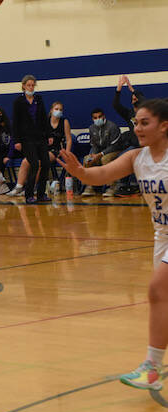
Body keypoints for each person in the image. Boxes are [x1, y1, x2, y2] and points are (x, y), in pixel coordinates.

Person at [58, 98, 168, 391]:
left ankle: (152, 368)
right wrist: (79, 172)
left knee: (157, 291)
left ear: (164, 126)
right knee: (163, 300)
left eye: (145, 122)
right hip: (162, 237)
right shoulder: (136, 158)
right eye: (136, 122)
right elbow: (101, 175)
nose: (139, 128)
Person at [12, 75, 51, 204]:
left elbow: (44, 118)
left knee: (45, 164)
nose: (31, 87)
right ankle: (28, 194)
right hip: (26, 139)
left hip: (40, 137)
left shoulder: (38, 99)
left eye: (33, 85)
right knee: (34, 164)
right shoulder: (18, 102)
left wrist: (49, 135)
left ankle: (41, 194)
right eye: (28, 85)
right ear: (23, 86)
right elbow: (15, 122)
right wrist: (16, 140)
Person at [112, 75, 145, 195]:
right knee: (122, 157)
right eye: (133, 98)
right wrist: (119, 89)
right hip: (134, 146)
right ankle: (123, 186)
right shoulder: (129, 113)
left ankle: (135, 186)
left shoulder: (148, 111)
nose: (134, 99)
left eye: (136, 98)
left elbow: (143, 101)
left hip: (146, 146)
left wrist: (131, 88)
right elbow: (116, 105)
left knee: (133, 158)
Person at [82, 108, 121, 197]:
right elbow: (94, 145)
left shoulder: (112, 126)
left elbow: (114, 146)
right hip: (100, 152)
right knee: (87, 159)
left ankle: (112, 186)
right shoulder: (91, 128)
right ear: (92, 119)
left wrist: (100, 155)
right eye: (95, 118)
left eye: (100, 117)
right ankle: (90, 186)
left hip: (115, 151)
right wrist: (93, 155)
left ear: (104, 116)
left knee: (105, 159)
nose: (98, 119)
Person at [47, 101, 72, 194]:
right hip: (46, 148)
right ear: (51, 110)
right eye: (56, 109)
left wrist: (67, 152)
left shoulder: (64, 122)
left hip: (58, 149)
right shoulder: (46, 121)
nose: (58, 111)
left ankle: (58, 180)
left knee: (47, 157)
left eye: (60, 110)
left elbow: (69, 139)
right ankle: (52, 181)